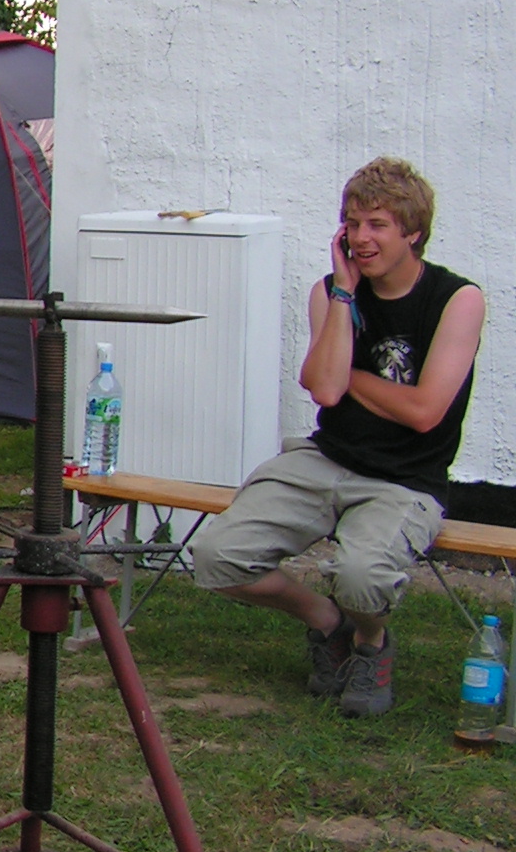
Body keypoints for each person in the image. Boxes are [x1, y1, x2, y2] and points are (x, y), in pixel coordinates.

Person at [192, 157, 485, 718]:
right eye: (352, 224)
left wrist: (348, 377)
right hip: (326, 459)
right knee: (216, 556)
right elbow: (325, 393)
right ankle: (329, 624)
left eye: (377, 225)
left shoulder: (456, 298)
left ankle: (371, 642)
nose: (360, 238)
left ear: (413, 233)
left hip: (404, 480)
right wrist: (346, 296)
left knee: (361, 577)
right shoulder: (332, 291)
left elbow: (424, 412)